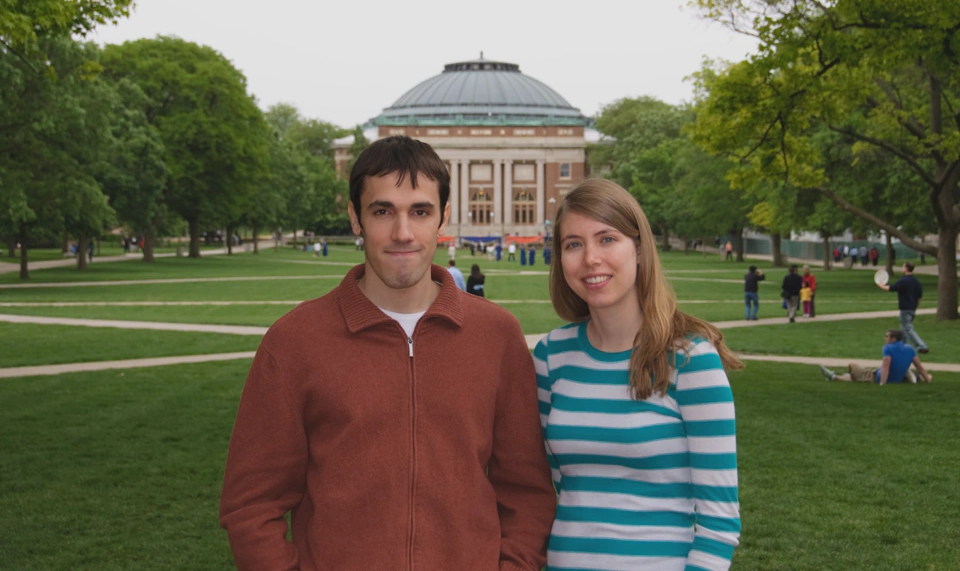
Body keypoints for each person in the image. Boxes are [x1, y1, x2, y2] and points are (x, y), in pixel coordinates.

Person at [220, 136, 555, 570]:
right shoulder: (295, 341)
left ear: (444, 218)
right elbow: (251, 503)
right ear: (355, 218)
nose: (402, 232)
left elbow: (527, 493)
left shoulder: (497, 336)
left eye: (420, 211)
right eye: (383, 211)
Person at [534, 178, 742, 571]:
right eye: (573, 244)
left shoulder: (691, 359)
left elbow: (720, 525)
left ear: (640, 249)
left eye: (607, 239)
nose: (591, 258)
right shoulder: (551, 356)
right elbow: (561, 484)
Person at [820, 329, 932, 384]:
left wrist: (882, 383)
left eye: (887, 336)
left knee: (853, 366)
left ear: (893, 339)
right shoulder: (910, 348)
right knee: (918, 375)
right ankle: (835, 376)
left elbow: (886, 366)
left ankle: (834, 377)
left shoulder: (888, 348)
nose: (884, 339)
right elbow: (920, 367)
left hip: (876, 377)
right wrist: (927, 379)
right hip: (898, 377)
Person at [879, 262, 929, 353]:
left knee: (907, 329)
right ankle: (901, 346)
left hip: (905, 307)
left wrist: (881, 285)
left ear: (906, 268)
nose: (902, 268)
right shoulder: (916, 281)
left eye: (903, 266)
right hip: (912, 308)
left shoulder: (903, 281)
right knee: (903, 328)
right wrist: (915, 306)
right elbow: (920, 296)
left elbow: (891, 288)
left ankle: (922, 346)